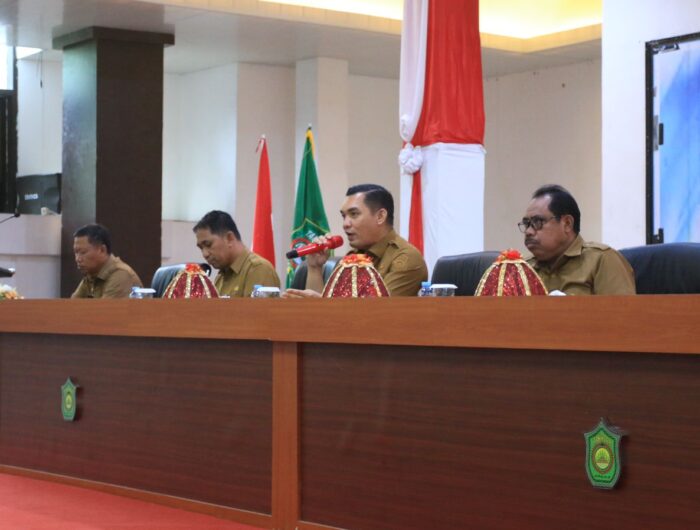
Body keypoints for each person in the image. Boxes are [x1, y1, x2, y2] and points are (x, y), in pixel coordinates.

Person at [284, 184, 428, 297]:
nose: (345, 224)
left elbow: (376, 313)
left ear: (380, 217)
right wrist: (315, 267)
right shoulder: (353, 257)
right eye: (344, 216)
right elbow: (318, 315)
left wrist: (324, 303)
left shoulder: (406, 258)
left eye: (354, 214)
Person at [520, 184, 636, 295]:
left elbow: (622, 308)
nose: (529, 231)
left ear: (567, 224)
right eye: (526, 224)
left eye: (537, 222)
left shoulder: (601, 260)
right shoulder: (524, 270)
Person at [194, 210, 279, 297]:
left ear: (229, 238)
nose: (205, 254)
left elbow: (259, 306)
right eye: (201, 248)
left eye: (208, 244)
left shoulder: (258, 269)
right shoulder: (220, 277)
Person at [71, 224, 142, 299]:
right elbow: (72, 304)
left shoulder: (120, 274)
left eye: (83, 252)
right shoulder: (92, 274)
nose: (78, 259)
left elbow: (105, 307)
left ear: (102, 250)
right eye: (76, 252)